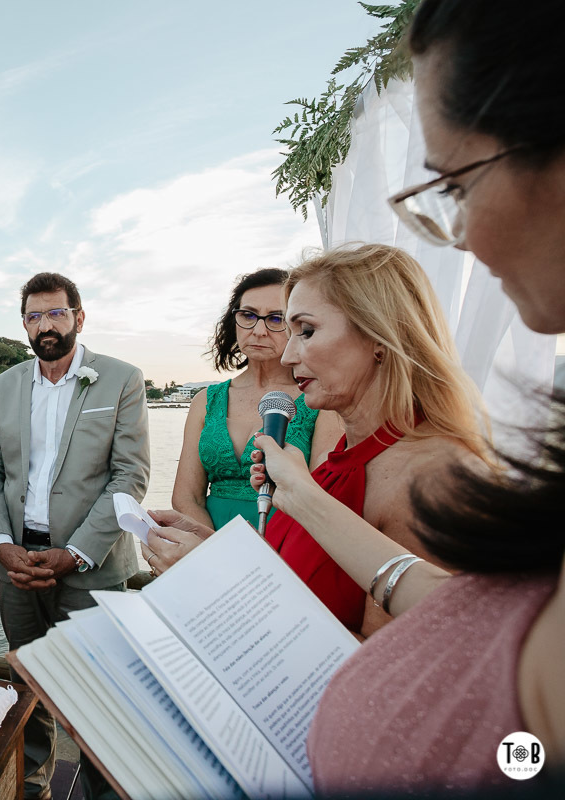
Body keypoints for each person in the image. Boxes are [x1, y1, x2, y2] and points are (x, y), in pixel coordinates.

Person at [257, 1, 565, 792]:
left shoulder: (438, 472)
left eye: (456, 184)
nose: (459, 235)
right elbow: (436, 605)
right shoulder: (332, 457)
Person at [146, 244, 488, 636]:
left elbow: (381, 668)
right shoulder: (341, 459)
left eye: (305, 331)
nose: (288, 355)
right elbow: (293, 580)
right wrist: (207, 545)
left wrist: (209, 575)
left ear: (380, 336)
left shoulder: (428, 478)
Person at [0, 272, 151, 799]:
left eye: (56, 313)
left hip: (89, 566)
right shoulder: (6, 385)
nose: (45, 325)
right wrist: (0, 546)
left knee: (103, 697)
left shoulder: (120, 378)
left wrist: (75, 553)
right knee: (27, 685)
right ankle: (34, 789)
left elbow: (131, 475)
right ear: (23, 323)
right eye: (34, 315)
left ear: (79, 316)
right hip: (18, 564)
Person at [173, 268, 339, 530]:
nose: (259, 330)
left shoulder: (321, 401)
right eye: (248, 315)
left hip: (289, 541)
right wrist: (212, 551)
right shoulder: (206, 400)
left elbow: (324, 498)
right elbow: (186, 498)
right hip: (207, 541)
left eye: (276, 319)